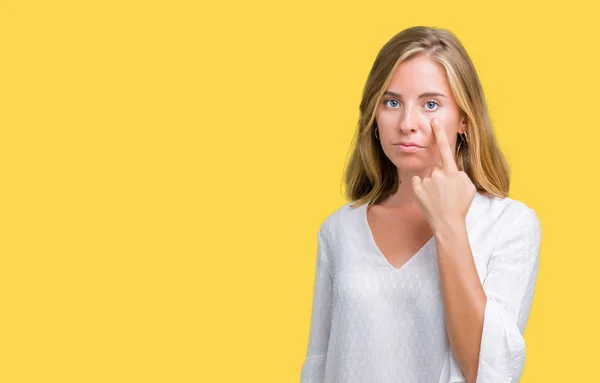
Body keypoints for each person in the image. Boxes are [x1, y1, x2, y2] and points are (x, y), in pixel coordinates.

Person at [299, 26, 542, 383]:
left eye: (431, 104)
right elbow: (318, 364)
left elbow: (487, 371)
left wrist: (449, 226)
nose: (407, 124)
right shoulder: (339, 230)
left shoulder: (510, 225)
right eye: (392, 102)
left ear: (463, 118)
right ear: (373, 114)